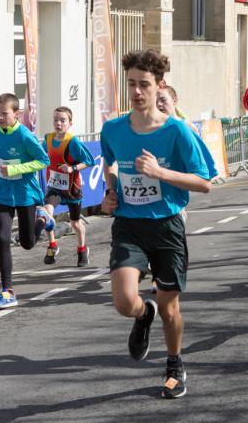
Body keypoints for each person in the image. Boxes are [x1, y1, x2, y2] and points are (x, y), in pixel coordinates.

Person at [100, 50, 215, 399]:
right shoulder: (113, 129)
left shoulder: (177, 131)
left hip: (166, 226)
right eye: (132, 84)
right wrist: (109, 194)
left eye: (144, 85)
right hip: (129, 226)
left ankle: (175, 363)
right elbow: (111, 165)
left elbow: (205, 182)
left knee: (170, 308)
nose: (136, 92)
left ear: (159, 85)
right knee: (123, 300)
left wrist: (160, 172)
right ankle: (141, 313)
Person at [0, 93, 50, 310]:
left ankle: (42, 220)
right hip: (3, 194)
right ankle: (7, 290)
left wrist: (16, 168)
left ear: (17, 114)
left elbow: (43, 160)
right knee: (2, 237)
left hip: (25, 194)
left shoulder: (25, 136)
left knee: (27, 243)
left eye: (4, 114)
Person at [35, 107, 96, 267]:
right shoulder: (47, 140)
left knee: (75, 223)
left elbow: (90, 161)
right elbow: (39, 156)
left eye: (62, 120)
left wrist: (72, 168)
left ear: (70, 123)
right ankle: (52, 246)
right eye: (56, 120)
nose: (58, 123)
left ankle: (82, 249)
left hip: (71, 189)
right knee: (47, 214)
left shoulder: (73, 142)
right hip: (54, 186)